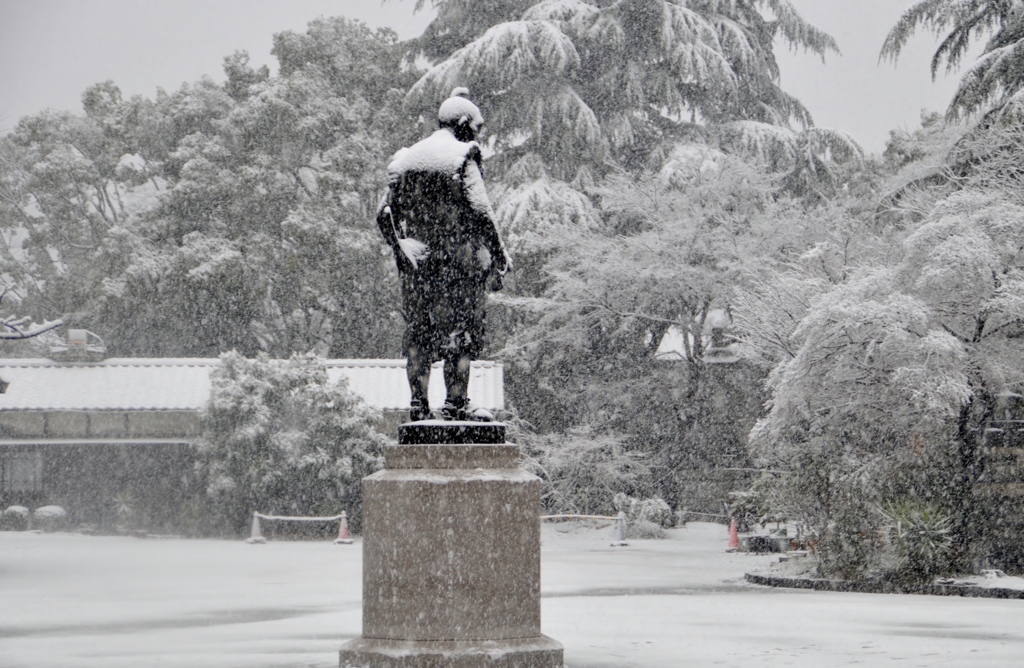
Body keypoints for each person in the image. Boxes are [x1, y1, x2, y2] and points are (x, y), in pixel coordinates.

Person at [376, 88, 510, 422]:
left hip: (418, 269)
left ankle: (419, 406)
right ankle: (455, 405)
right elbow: (481, 211)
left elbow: (383, 214)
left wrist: (400, 246)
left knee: (420, 334)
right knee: (461, 334)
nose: (476, 133)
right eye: (475, 126)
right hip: (457, 266)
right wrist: (499, 254)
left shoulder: (406, 160)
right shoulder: (461, 157)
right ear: (464, 123)